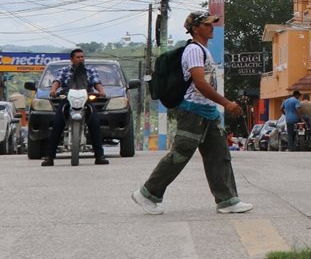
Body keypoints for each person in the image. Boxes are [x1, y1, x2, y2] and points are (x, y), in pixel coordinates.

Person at [132, 12, 253, 215]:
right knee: (180, 155)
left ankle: (227, 200)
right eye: (207, 24)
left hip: (207, 112)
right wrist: (226, 103)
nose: (212, 27)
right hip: (192, 112)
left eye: (212, 24)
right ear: (196, 28)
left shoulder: (204, 50)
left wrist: (216, 107)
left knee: (219, 155)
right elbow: (200, 83)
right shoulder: (194, 51)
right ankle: (147, 193)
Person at [44, 48, 108, 166]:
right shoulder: (64, 70)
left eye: (82, 57)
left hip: (86, 98)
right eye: (78, 57)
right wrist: (53, 91)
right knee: (57, 123)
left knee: (95, 122)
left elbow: (96, 82)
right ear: (72, 59)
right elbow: (57, 81)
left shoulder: (90, 70)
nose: (81, 59)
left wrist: (102, 91)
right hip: (68, 98)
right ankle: (49, 157)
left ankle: (100, 156)